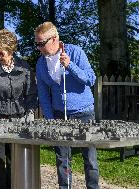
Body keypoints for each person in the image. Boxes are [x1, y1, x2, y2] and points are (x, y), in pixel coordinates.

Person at [34, 21, 99, 189]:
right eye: (37, 44)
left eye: (41, 43)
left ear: (54, 39)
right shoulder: (41, 63)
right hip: (58, 114)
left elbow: (90, 79)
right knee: (62, 159)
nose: (39, 48)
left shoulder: (75, 52)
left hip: (83, 113)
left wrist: (70, 65)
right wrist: (50, 119)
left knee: (90, 158)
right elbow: (43, 94)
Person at [0, 28, 37, 189]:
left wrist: (30, 112)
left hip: (19, 117)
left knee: (15, 157)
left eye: (1, 53)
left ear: (11, 51)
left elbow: (31, 92)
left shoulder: (24, 67)